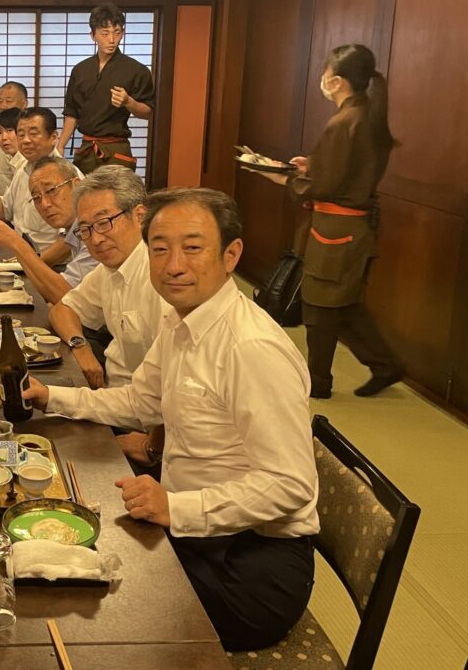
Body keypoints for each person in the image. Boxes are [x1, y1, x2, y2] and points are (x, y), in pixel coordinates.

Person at [21, 188, 319, 652]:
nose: (174, 265)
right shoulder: (182, 321)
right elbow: (140, 402)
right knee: (58, 557)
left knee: (91, 608)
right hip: (197, 532)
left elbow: (289, 485)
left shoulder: (251, 348)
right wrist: (49, 397)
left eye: (193, 247)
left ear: (231, 255)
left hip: (250, 566)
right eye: (160, 249)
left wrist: (175, 509)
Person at [282, 44, 402, 399]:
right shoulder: (364, 115)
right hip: (352, 229)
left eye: (325, 72)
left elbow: (325, 185)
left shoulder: (344, 121)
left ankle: (318, 382)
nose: (322, 78)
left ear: (336, 81)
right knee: (344, 304)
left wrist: (286, 178)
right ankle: (385, 365)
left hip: (337, 231)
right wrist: (311, 166)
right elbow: (345, 171)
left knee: (320, 304)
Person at [47, 166, 166, 395]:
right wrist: (80, 346)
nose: (96, 239)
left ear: (140, 216)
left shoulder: (162, 279)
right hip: (110, 393)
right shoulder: (108, 270)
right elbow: (61, 310)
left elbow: (164, 390)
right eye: (86, 229)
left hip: (137, 407)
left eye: (104, 223)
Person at [0, 155, 97, 305]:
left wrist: (16, 243)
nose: (45, 204)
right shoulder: (74, 229)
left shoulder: (96, 231)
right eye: (36, 197)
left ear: (76, 186)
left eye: (51, 190)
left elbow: (66, 297)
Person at [0, 107, 74, 260]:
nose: (26, 140)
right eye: (21, 134)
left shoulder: (67, 176)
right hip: (19, 257)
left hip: (50, 264)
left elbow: (70, 238)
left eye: (33, 134)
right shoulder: (24, 169)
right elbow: (3, 211)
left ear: (53, 137)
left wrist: (34, 265)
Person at [57, 4, 155, 174]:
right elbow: (72, 113)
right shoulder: (80, 70)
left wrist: (128, 102)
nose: (111, 39)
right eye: (105, 33)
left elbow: (149, 112)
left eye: (117, 32)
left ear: (122, 33)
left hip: (117, 149)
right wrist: (61, 145)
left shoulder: (137, 70)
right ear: (93, 35)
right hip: (87, 148)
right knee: (83, 191)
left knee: (118, 192)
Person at [0, 81, 29, 194]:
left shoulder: (26, 140)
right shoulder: (0, 126)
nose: (2, 106)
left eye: (8, 101)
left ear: (24, 104)